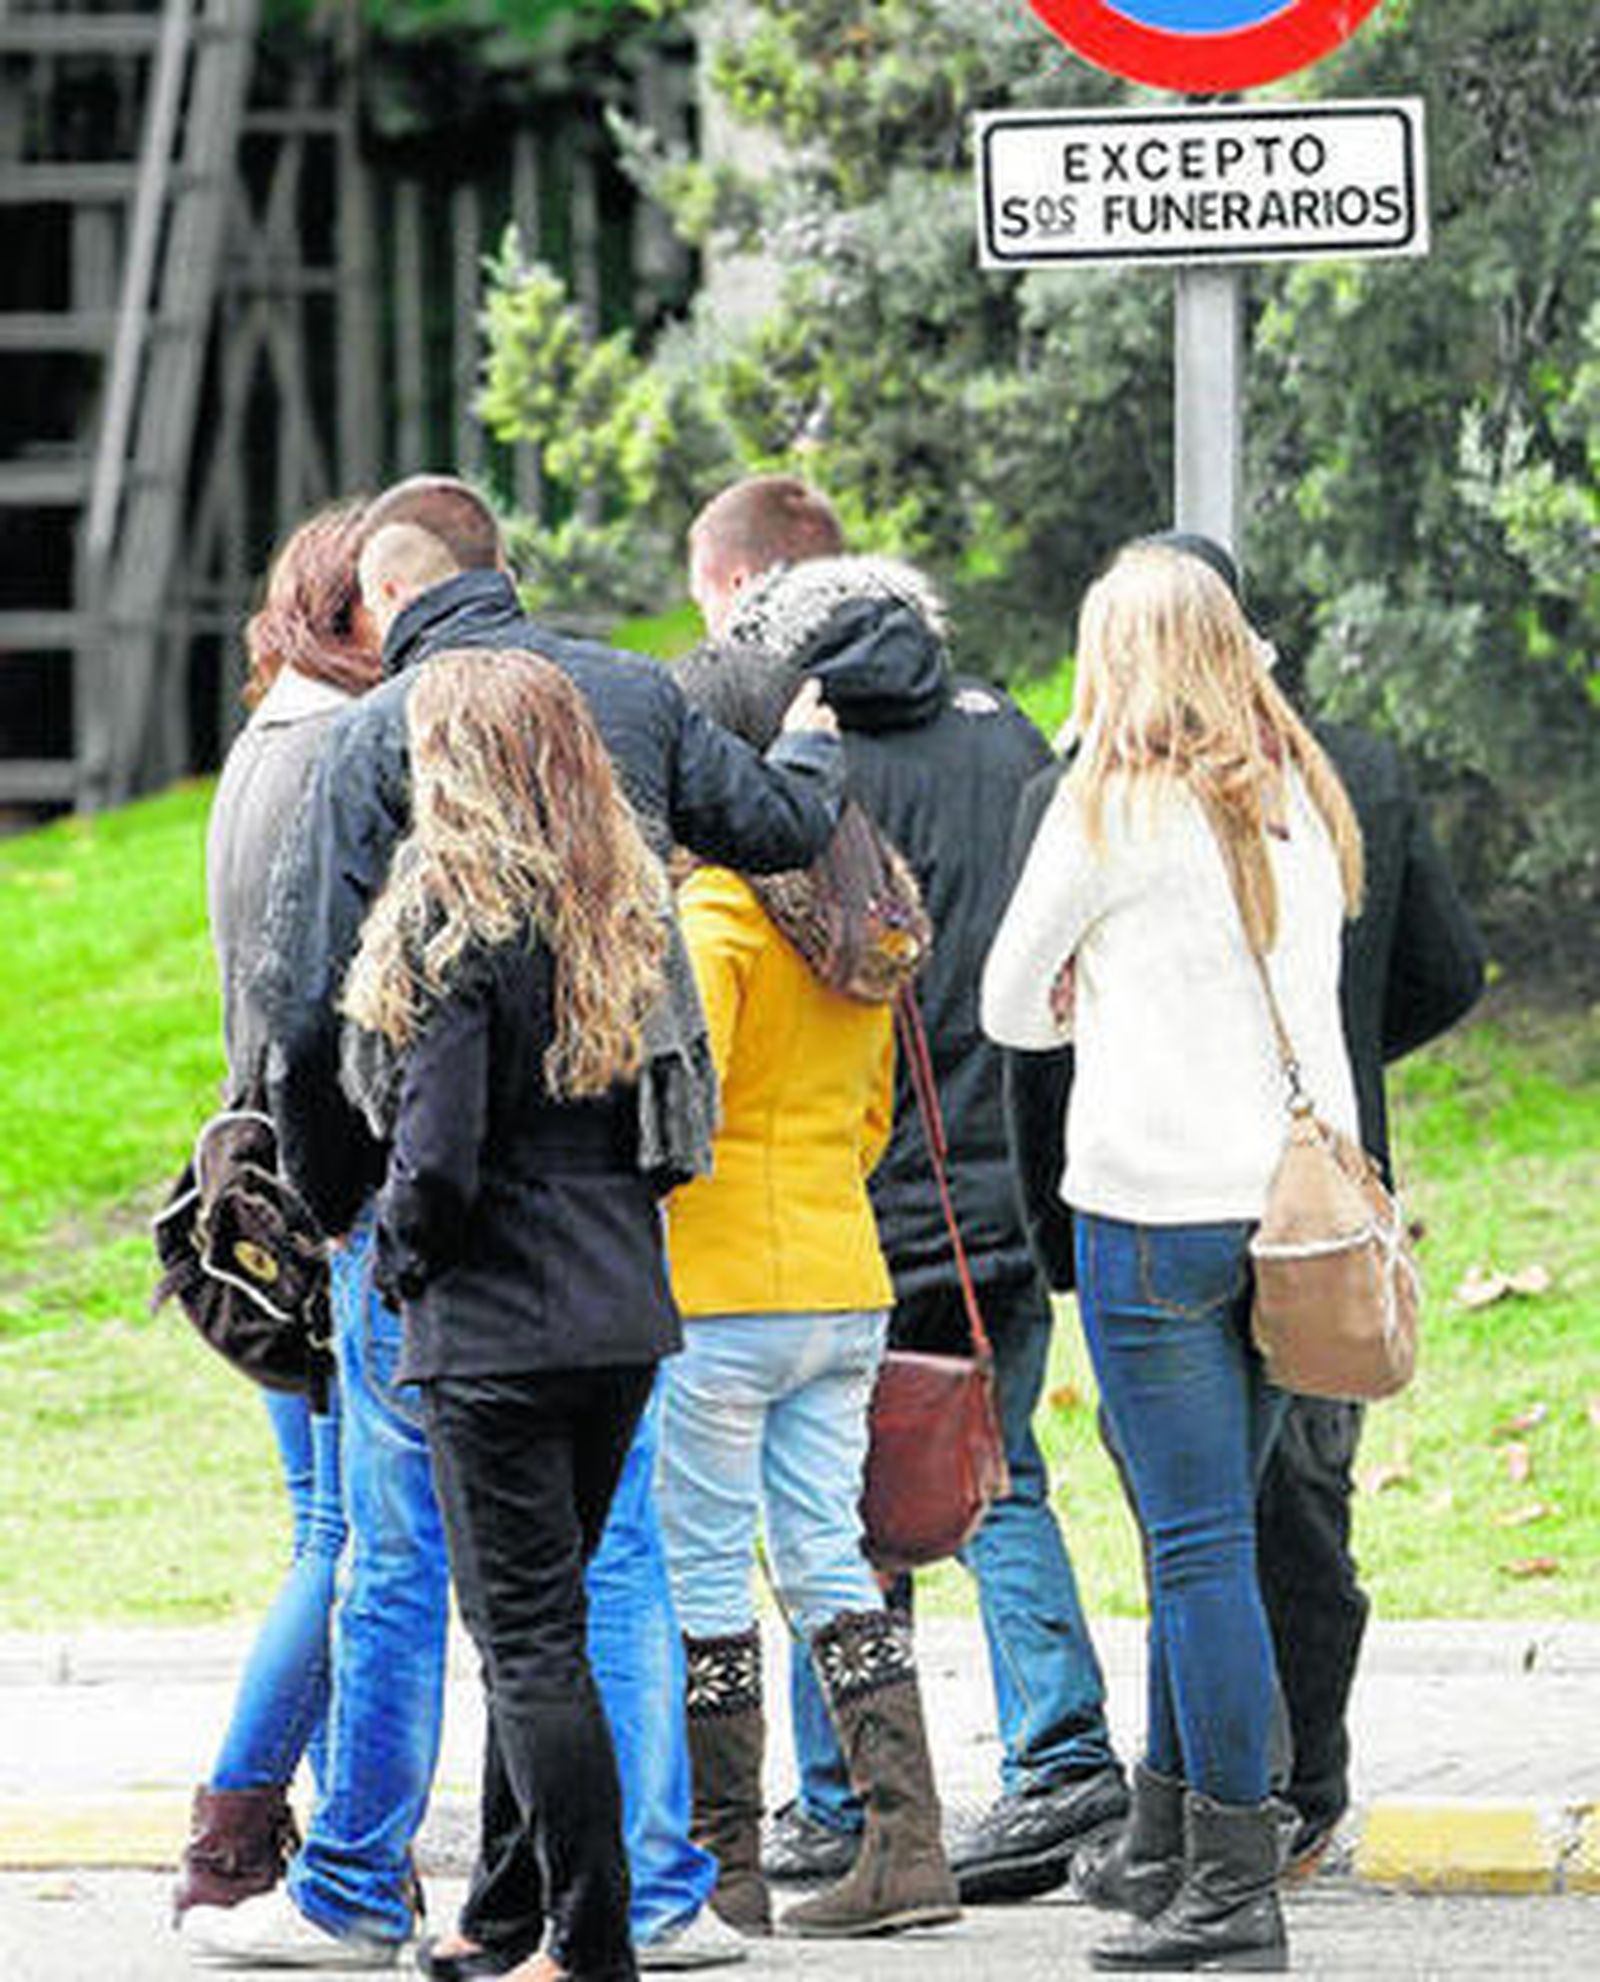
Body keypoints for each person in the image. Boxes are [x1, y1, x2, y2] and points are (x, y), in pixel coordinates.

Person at [188, 474, 843, 1972]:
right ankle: (584, 1897)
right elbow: (776, 832)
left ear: (385, 604)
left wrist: (354, 1211)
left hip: (464, 1268)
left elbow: (303, 1018)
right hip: (624, 1260)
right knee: (596, 1575)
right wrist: (818, 737)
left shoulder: (383, 770)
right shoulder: (622, 837)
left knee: (442, 1577)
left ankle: (437, 1892)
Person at [999, 532, 1486, 1898]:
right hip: (1292, 1219)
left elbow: (1000, 1000)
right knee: (1223, 1533)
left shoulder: (1100, 803)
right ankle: (1167, 1834)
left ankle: (1225, 1874)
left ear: (1119, 658)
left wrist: (1097, 992)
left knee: (1196, 1547)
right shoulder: (1307, 792)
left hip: (1152, 1215)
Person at [686, 475, 1128, 1904]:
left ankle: (867, 1798)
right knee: (988, 1478)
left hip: (858, 1197)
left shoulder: (804, 787)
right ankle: (1036, 1767)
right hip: (1007, 1177)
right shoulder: (1004, 737)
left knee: (832, 1512)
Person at [338, 647, 681, 1982]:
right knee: (547, 1627)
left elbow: (434, 1158)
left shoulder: (451, 922)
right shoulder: (614, 905)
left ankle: (589, 1943)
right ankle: (505, 1909)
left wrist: (398, 1262)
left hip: (495, 1319)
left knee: (526, 1640)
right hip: (619, 1307)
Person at [659, 637, 959, 1941]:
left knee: (707, 1569)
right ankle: (908, 1841)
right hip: (844, 1277)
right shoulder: (859, 913)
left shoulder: (716, 913)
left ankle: (726, 1864)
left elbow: (688, 1099)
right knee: (833, 1556)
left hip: (719, 1285)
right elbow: (877, 1115)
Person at [174, 500, 378, 1924]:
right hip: (323, 1187)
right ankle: (235, 1829)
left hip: (264, 1183)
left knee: (330, 1524)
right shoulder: (333, 755)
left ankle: (249, 1834)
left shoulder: (265, 745)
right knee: (349, 1535)